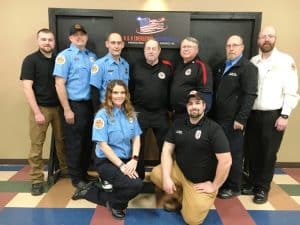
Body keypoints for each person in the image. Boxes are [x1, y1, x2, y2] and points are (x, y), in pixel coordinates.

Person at [150, 91, 232, 225]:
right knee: (156, 174)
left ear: (204, 106)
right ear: (187, 107)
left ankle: (202, 197)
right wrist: (166, 178)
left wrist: (214, 185)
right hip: (180, 171)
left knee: (192, 220)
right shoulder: (178, 124)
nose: (194, 106)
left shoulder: (214, 129)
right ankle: (182, 197)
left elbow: (226, 161)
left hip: (199, 182)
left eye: (198, 103)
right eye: (190, 103)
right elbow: (166, 150)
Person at [242, 26, 299, 204]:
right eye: (263, 36)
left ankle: (262, 188)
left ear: (275, 39)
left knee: (268, 153)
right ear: (258, 40)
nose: (266, 39)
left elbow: (292, 91)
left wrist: (285, 115)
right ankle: (252, 182)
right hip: (253, 114)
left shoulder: (285, 60)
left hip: (273, 115)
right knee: (251, 151)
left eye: (270, 36)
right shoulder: (253, 61)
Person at [72, 80, 143, 220]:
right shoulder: (102, 115)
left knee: (135, 179)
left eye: (122, 92)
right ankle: (112, 202)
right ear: (109, 95)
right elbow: (103, 146)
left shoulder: (130, 113)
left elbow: (136, 138)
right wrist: (122, 166)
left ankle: (96, 190)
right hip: (106, 160)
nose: (119, 96)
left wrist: (134, 159)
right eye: (115, 92)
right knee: (135, 185)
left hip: (126, 158)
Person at [20, 28, 68, 196]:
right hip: (40, 108)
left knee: (62, 141)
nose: (47, 42)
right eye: (43, 39)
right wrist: (36, 112)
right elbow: (27, 87)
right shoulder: (30, 60)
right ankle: (36, 180)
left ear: (54, 42)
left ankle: (65, 170)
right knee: (37, 145)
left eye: (50, 40)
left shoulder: (59, 59)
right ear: (38, 41)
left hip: (58, 108)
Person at [211, 35, 258, 199]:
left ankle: (234, 186)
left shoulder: (248, 68)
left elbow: (250, 95)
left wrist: (241, 119)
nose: (231, 48)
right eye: (229, 45)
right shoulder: (220, 66)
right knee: (221, 153)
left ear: (242, 47)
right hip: (218, 119)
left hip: (234, 121)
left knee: (234, 154)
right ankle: (222, 182)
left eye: (235, 45)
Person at [53, 24, 97, 188]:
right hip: (74, 106)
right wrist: (67, 109)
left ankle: (84, 173)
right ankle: (76, 178)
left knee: (87, 142)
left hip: (89, 106)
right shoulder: (65, 56)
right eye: (75, 35)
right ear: (70, 38)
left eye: (82, 34)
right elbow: (59, 84)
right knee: (75, 143)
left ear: (86, 37)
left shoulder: (91, 56)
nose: (79, 37)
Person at [129, 38, 173, 179]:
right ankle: (138, 177)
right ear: (144, 51)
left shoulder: (167, 66)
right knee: (138, 147)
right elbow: (130, 88)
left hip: (160, 113)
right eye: (148, 48)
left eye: (154, 48)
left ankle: (163, 178)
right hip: (140, 112)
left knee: (165, 147)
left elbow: (172, 88)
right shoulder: (136, 66)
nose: (151, 51)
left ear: (159, 50)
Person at [170, 36, 213, 119]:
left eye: (189, 47)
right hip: (176, 114)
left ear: (196, 50)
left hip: (191, 115)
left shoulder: (202, 67)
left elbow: (207, 95)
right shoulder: (178, 65)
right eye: (184, 47)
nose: (185, 49)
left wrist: (197, 116)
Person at [90, 32, 129, 112]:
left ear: (122, 45)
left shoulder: (125, 65)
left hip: (123, 109)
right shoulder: (99, 65)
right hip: (106, 110)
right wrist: (97, 113)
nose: (116, 46)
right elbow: (94, 92)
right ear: (107, 44)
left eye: (119, 43)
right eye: (113, 43)